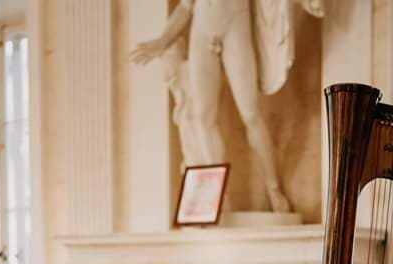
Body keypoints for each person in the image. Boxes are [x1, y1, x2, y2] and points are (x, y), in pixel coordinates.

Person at [130, 0, 324, 214]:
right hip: (202, 30)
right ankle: (218, 196)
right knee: (204, 118)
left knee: (251, 115)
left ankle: (274, 189)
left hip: (235, 28)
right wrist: (162, 41)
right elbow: (185, 6)